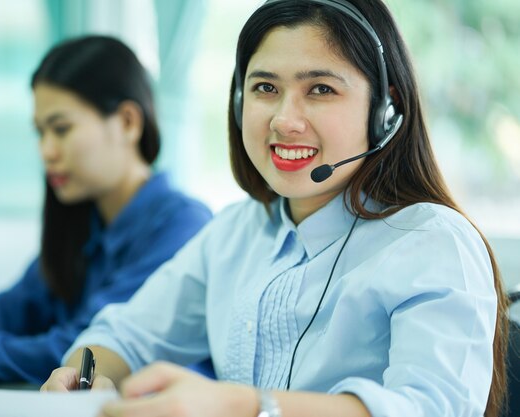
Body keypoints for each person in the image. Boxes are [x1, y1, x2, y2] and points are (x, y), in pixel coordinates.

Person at [41, 1, 508, 416]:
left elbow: (428, 408)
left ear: (385, 112)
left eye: (321, 89)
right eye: (265, 88)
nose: (284, 120)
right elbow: (125, 337)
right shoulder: (237, 234)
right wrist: (85, 377)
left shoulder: (432, 243)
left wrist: (248, 407)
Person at [0, 35, 212, 385]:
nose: (46, 151)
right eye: (40, 133)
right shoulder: (82, 225)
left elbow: (81, 352)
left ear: (127, 122)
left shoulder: (184, 227)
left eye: (61, 129)